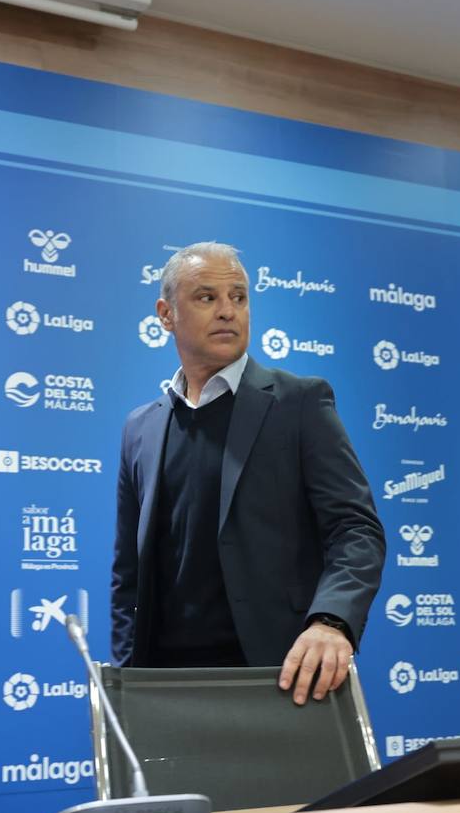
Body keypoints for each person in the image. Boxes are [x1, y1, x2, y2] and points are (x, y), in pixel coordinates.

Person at [111, 242, 385, 705]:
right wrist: (124, 676)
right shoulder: (141, 427)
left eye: (238, 297)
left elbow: (356, 530)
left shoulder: (299, 403)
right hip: (164, 690)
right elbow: (128, 573)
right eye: (206, 297)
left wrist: (331, 621)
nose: (227, 311)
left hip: (282, 677)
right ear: (165, 313)